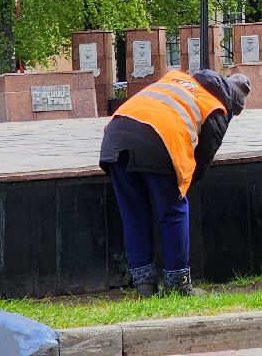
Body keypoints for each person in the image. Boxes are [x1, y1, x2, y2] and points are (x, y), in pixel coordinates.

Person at [99, 66, 251, 296]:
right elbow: (202, 159)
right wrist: (183, 186)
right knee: (174, 211)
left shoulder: (176, 79)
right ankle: (178, 284)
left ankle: (144, 285)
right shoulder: (217, 107)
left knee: (134, 214)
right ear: (234, 104)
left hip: (115, 137)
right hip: (159, 140)